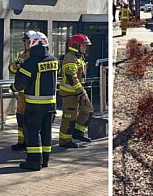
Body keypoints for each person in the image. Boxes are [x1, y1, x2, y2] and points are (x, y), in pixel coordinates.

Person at [12, 31, 59, 171]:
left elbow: (20, 84)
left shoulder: (30, 62)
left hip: (35, 105)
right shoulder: (53, 60)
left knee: (32, 133)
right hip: (51, 104)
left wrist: (12, 87)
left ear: (34, 43)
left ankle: (33, 162)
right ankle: (45, 160)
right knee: (46, 132)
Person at [58, 34, 94, 148]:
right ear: (75, 46)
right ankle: (64, 140)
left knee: (87, 110)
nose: (85, 47)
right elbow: (71, 76)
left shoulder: (79, 57)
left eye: (85, 45)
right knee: (69, 116)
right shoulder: (70, 57)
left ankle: (77, 133)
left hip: (78, 91)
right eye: (83, 45)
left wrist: (81, 91)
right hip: (70, 93)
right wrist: (81, 91)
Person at [8, 30, 36, 150]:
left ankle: (31, 141)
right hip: (21, 94)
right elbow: (12, 70)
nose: (26, 43)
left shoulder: (36, 56)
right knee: (20, 117)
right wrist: (16, 66)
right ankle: (21, 141)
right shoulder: (21, 55)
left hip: (32, 93)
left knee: (31, 119)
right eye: (25, 41)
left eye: (28, 41)